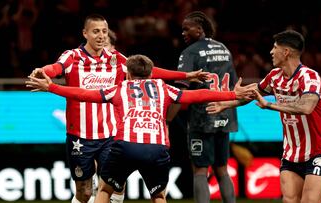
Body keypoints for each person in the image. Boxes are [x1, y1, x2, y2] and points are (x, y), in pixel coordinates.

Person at [29, 14, 210, 203]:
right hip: (80, 136)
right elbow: (55, 68)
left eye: (104, 31)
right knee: (84, 192)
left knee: (114, 187)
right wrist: (43, 71)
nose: (101, 36)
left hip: (110, 135)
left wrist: (186, 75)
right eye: (96, 31)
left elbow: (149, 71)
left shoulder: (116, 59)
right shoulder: (72, 57)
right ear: (85, 33)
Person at [26, 54, 255, 203]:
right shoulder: (163, 88)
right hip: (157, 148)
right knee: (158, 195)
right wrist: (233, 94)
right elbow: (199, 95)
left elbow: (84, 94)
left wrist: (52, 87)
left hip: (125, 146)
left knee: (105, 190)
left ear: (127, 73)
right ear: (150, 72)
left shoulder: (120, 88)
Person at [206, 30, 321, 203]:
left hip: (319, 151)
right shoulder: (274, 77)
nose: (271, 52)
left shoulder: (310, 78)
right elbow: (252, 94)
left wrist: (270, 105)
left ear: (286, 52)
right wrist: (225, 104)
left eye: (275, 48)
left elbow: (306, 107)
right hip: (291, 153)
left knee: (310, 201)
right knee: (289, 200)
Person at [168, 11, 238, 203]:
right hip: (225, 115)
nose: (183, 33)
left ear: (199, 29)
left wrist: (167, 119)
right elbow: (234, 85)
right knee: (222, 169)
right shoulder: (223, 48)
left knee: (200, 170)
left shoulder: (190, 52)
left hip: (202, 118)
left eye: (186, 29)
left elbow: (181, 91)